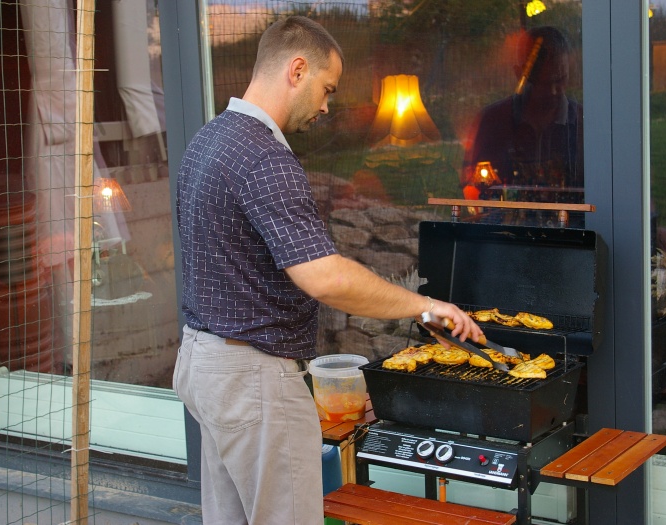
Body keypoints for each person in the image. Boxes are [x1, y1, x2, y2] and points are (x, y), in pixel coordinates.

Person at [172, 16, 482, 525]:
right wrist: (425, 304)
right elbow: (326, 277)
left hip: (205, 366)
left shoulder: (209, 139)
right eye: (327, 88)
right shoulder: (264, 156)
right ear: (297, 70)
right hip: (253, 380)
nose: (326, 106)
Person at [462, 26, 584, 226]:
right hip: (507, 237)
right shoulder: (493, 122)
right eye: (545, 84)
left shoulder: (582, 123)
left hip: (570, 237)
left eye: (561, 80)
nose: (555, 91)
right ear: (519, 75)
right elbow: (471, 188)